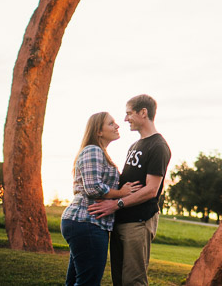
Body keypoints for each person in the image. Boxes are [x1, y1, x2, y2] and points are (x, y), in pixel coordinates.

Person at [88, 94, 171, 286]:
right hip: (121, 220)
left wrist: (115, 204)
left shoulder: (158, 146)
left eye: (129, 114)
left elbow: (151, 190)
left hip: (139, 222)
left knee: (133, 281)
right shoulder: (135, 145)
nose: (125, 119)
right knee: (119, 279)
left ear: (143, 113)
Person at [61, 112, 141, 286]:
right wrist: (122, 193)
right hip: (87, 222)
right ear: (98, 131)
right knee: (88, 282)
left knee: (76, 281)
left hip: (88, 223)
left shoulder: (100, 152)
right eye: (111, 123)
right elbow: (93, 187)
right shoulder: (93, 150)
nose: (117, 125)